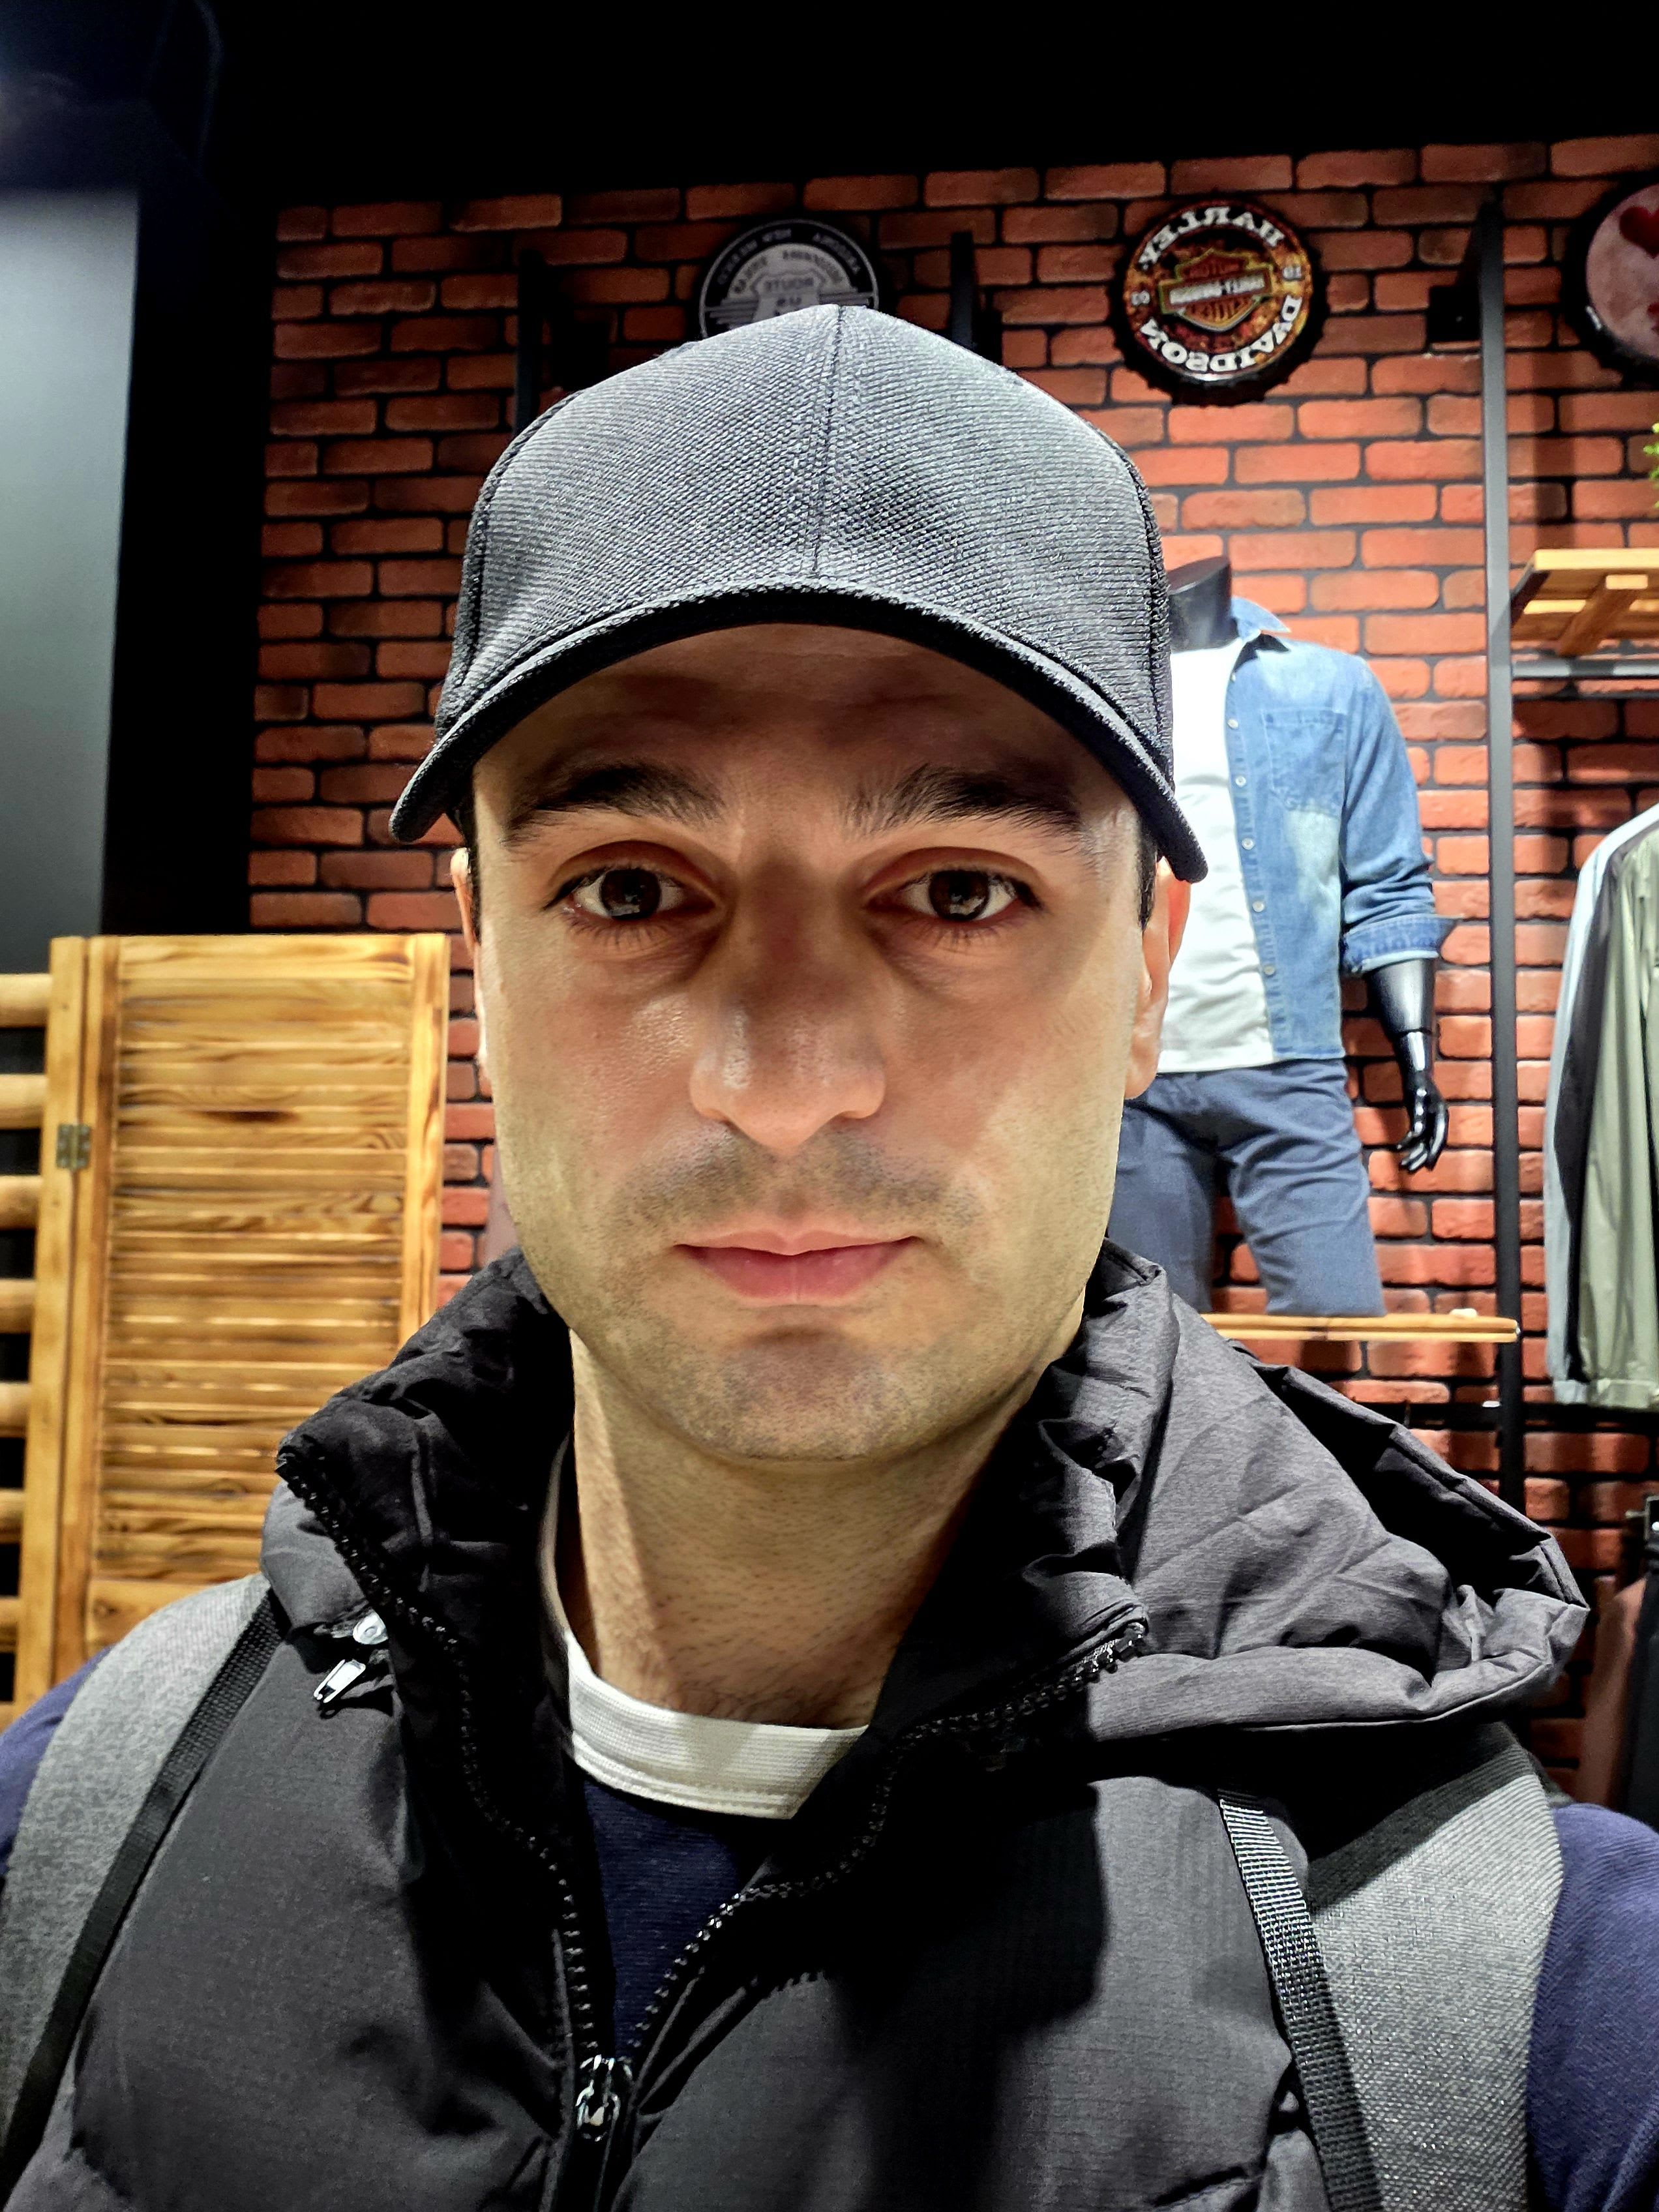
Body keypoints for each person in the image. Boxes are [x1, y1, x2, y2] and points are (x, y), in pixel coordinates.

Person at [0, 305, 1650, 2212]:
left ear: (1142, 973)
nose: (785, 1086)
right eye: (632, 887)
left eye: (958, 891)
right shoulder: (87, 1824)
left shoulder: (1512, 2011)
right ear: (484, 963)